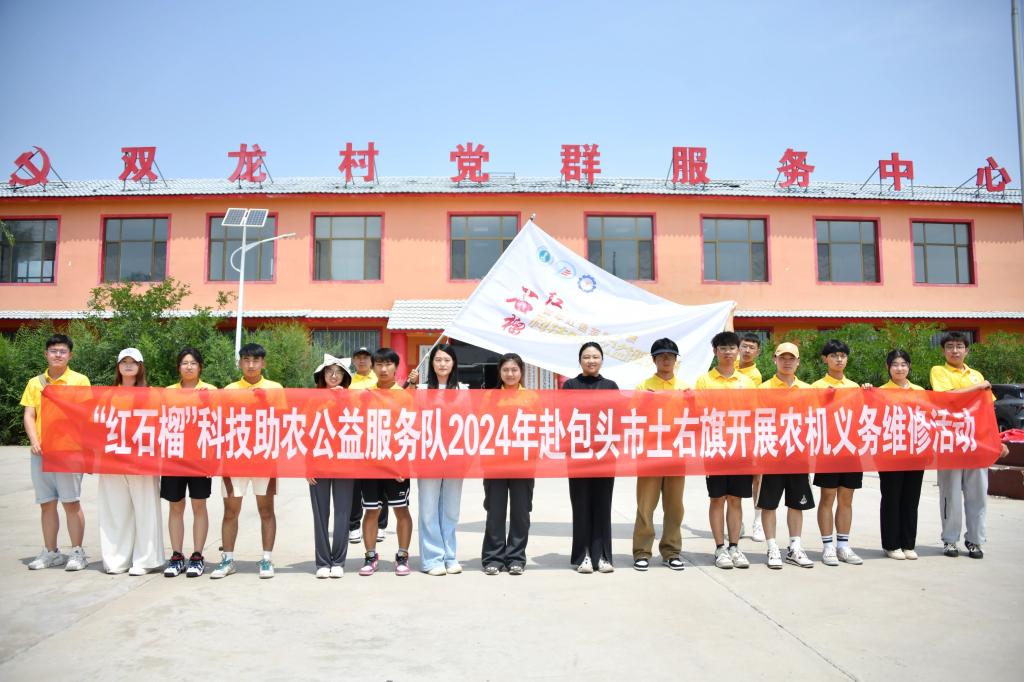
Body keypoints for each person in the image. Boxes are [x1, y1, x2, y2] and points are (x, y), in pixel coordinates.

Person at [929, 332, 1007, 559]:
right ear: (943, 351)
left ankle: (975, 540)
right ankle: (950, 540)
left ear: (967, 350)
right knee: (950, 495)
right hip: (950, 443)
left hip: (976, 443)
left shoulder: (976, 375)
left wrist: (997, 440)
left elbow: (987, 411)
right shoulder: (939, 371)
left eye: (959, 346)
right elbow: (948, 397)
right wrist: (978, 388)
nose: (955, 351)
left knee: (978, 495)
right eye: (950, 346)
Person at [210, 343, 283, 579]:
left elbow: (283, 421)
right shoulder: (229, 390)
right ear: (240, 363)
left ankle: (266, 559)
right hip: (235, 459)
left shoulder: (275, 388)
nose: (251, 365)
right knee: (230, 511)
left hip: (264, 458)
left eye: (255, 360)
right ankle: (228, 559)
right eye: (246, 360)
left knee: (266, 510)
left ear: (263, 363)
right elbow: (219, 422)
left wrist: (265, 402)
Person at [21, 333, 90, 571]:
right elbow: (29, 414)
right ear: (46, 354)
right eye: (53, 351)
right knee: (46, 503)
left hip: (68, 452)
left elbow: (86, 414)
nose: (57, 355)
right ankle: (51, 552)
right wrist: (34, 440)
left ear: (70, 355)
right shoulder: (35, 383)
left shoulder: (80, 381)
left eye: (62, 351)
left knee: (71, 503)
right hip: (41, 453)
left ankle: (77, 552)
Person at [99, 348, 164, 575]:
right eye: (123, 361)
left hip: (142, 460)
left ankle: (145, 560)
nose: (128, 365)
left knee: (146, 510)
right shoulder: (107, 395)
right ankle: (116, 560)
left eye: (133, 362)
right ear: (118, 366)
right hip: (112, 459)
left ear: (140, 366)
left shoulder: (152, 394)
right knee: (115, 511)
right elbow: (95, 425)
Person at [696, 331, 756, 569]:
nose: (728, 352)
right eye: (723, 348)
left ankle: (734, 547)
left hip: (740, 447)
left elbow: (754, 415)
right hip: (715, 447)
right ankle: (720, 548)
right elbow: (699, 413)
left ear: (738, 351)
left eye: (732, 348)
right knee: (717, 498)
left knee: (735, 499)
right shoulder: (704, 381)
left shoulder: (747, 382)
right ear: (715, 352)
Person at [631, 338, 689, 572]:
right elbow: (633, 416)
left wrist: (691, 401)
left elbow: (695, 418)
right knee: (645, 506)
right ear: (654, 360)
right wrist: (646, 402)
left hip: (676, 453)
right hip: (650, 453)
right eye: (661, 356)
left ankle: (671, 551)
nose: (666, 359)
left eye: (670, 356)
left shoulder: (685, 388)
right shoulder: (643, 387)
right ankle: (642, 552)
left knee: (675, 506)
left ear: (676, 360)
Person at [756, 342, 815, 569]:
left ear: (798, 362)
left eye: (792, 358)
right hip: (772, 454)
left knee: (797, 503)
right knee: (769, 504)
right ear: (775, 359)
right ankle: (772, 547)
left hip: (798, 454)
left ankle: (794, 547)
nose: (787, 362)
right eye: (783, 357)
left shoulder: (808, 390)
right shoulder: (763, 389)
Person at [358, 348, 415, 576]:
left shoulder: (405, 396)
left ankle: (402, 556)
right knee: (371, 511)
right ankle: (370, 556)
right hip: (371, 463)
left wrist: (403, 464)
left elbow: (411, 432)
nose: (383, 369)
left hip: (397, 465)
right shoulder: (365, 395)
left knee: (401, 509)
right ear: (373, 367)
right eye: (379, 364)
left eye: (388, 364)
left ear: (396, 367)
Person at [162, 347, 217, 578]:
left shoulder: (210, 391)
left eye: (193, 363)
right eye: (185, 363)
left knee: (198, 505)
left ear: (200, 367)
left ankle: (197, 556)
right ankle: (177, 556)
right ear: (178, 367)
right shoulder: (168, 392)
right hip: (173, 457)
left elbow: (218, 423)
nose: (189, 366)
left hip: (200, 458)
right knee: (175, 506)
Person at [564, 341, 619, 574]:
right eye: (586, 357)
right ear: (580, 361)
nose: (591, 361)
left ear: (602, 360)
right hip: (578, 455)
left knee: (603, 506)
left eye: (595, 357)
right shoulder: (570, 385)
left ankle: (603, 556)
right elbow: (563, 417)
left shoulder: (611, 386)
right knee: (581, 506)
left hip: (605, 455)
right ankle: (583, 555)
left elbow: (619, 417)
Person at [415, 343, 467, 576]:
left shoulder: (463, 390)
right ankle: (432, 559)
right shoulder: (421, 390)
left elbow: (469, 423)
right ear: (431, 363)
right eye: (438, 360)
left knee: (451, 509)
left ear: (454, 363)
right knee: (428, 509)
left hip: (455, 457)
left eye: (447, 360)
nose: (442, 364)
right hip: (428, 456)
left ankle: (450, 556)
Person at [481, 353, 536, 575]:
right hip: (495, 462)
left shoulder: (532, 397)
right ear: (499, 372)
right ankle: (493, 557)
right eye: (506, 370)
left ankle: (516, 558)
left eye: (514, 369)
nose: (510, 374)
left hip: (523, 462)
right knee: (495, 511)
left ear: (521, 372)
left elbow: (540, 427)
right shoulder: (489, 397)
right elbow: (481, 426)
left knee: (521, 512)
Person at [810, 339, 864, 566]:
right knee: (828, 496)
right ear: (825, 359)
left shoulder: (855, 387)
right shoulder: (816, 386)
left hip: (850, 449)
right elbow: (810, 416)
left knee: (846, 498)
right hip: (828, 449)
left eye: (842, 355)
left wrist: (868, 393)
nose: (839, 359)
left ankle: (843, 545)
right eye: (834, 356)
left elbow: (864, 416)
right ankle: (828, 546)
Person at [869, 349, 926, 560]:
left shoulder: (920, 391)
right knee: (892, 498)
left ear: (909, 367)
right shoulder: (879, 392)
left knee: (911, 499)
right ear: (888, 367)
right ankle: (891, 544)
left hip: (915, 452)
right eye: (895, 364)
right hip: (890, 453)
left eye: (903, 364)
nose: (899, 368)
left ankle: (908, 544)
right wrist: (866, 391)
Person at [307, 354, 356, 578]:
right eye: (329, 372)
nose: (334, 376)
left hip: (345, 460)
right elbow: (306, 434)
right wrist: (307, 466)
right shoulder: (312, 399)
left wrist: (343, 399)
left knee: (343, 512)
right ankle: (322, 562)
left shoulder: (352, 398)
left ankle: (338, 561)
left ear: (345, 377)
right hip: (319, 460)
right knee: (320, 513)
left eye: (338, 372)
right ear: (322, 375)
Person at [347, 346, 388, 545]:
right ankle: (354, 526)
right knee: (355, 485)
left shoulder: (380, 380)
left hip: (378, 437)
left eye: (365, 357)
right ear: (354, 361)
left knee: (381, 483)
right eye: (358, 357)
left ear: (371, 361)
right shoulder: (347, 382)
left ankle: (381, 525)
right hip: (355, 438)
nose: (362, 361)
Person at [738, 333, 766, 542]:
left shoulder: (754, 376)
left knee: (758, 477)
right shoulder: (728, 368)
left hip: (752, 429)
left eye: (752, 347)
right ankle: (737, 521)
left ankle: (758, 521)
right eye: (744, 346)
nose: (747, 350)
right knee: (736, 478)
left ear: (758, 352)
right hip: (732, 430)